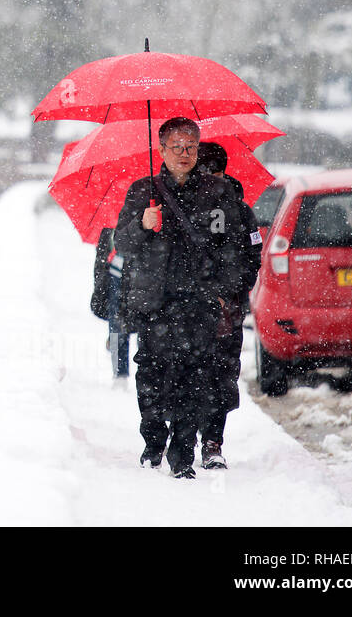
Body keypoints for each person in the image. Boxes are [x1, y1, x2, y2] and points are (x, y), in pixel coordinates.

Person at [115, 117, 248, 479]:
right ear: (161, 150)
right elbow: (121, 244)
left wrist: (225, 291)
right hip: (156, 303)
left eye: (191, 146)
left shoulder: (217, 194)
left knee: (195, 378)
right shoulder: (144, 190)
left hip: (199, 300)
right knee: (153, 376)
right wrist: (142, 224)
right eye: (177, 146)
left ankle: (182, 456)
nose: (184, 153)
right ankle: (154, 441)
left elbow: (233, 247)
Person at [195, 142, 263, 470]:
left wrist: (231, 294)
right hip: (188, 309)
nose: (208, 179)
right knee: (187, 373)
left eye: (213, 172)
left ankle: (212, 441)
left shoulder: (241, 210)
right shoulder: (181, 208)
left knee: (221, 376)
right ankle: (182, 434)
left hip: (226, 312)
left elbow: (253, 259)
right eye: (202, 172)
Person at [92, 227, 130, 378]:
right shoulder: (110, 213)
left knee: (141, 322)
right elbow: (103, 244)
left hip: (141, 271)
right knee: (117, 321)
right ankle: (120, 373)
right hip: (116, 272)